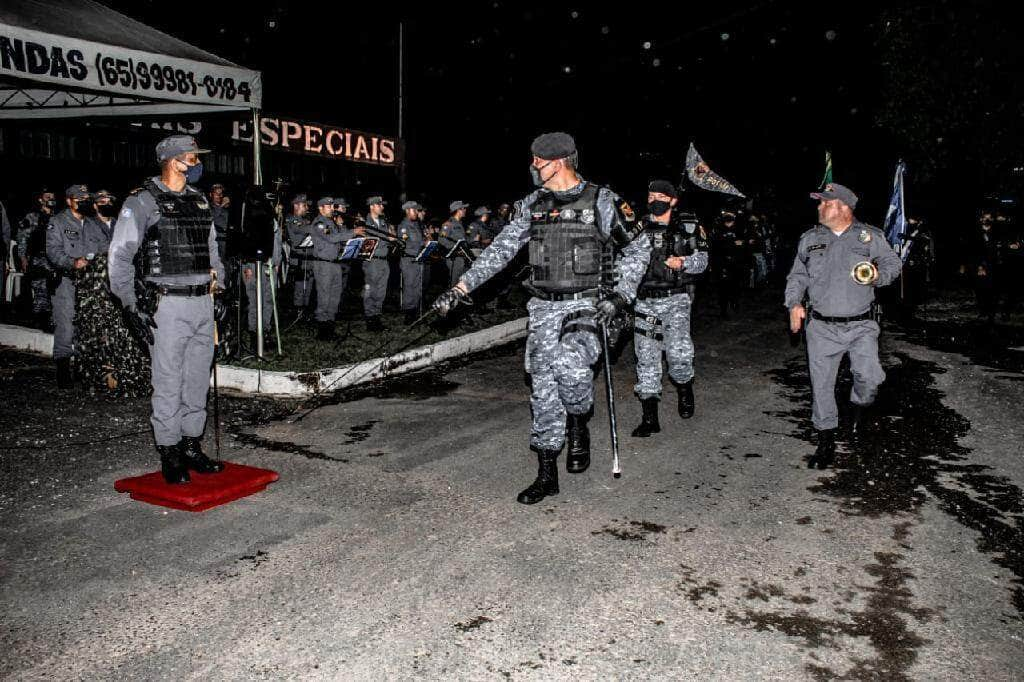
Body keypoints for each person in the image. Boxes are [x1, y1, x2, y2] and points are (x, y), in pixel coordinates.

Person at [432, 132, 651, 505]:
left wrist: (621, 295)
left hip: (586, 303)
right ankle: (547, 472)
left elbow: (638, 248)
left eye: (539, 161)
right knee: (543, 388)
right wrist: (462, 288)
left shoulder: (603, 201)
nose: (533, 167)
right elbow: (501, 249)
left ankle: (579, 420)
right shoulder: (533, 204)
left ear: (560, 162)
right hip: (543, 307)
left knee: (570, 365)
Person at [108, 134, 226, 484]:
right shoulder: (142, 202)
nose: (196, 163)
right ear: (174, 161)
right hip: (167, 304)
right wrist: (129, 304)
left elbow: (212, 251)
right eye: (192, 157)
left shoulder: (199, 201)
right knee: (169, 380)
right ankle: (170, 451)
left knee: (196, 379)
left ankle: (191, 445)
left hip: (202, 302)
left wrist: (219, 293)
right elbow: (120, 257)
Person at [784, 183, 902, 469]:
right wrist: (794, 304)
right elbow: (797, 275)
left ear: (843, 207)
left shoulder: (869, 237)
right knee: (821, 387)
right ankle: (825, 442)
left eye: (824, 202)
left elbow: (892, 263)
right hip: (822, 327)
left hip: (861, 325)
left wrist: (878, 276)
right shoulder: (810, 239)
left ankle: (858, 406)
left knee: (870, 378)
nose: (819, 206)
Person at [630, 180, 709, 437]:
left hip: (676, 299)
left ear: (673, 200)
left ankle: (685, 388)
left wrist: (683, 262)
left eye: (661, 196)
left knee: (678, 353)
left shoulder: (689, 226)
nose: (655, 200)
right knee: (647, 356)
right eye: (651, 195)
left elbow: (703, 260)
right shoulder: (637, 227)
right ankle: (649, 416)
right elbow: (623, 258)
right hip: (645, 301)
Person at [46, 185, 112, 388]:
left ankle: (85, 370)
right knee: (65, 324)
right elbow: (53, 250)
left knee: (88, 325)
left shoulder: (93, 224)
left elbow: (105, 246)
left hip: (91, 283)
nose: (83, 202)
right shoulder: (57, 222)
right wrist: (72, 262)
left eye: (86, 199)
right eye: (79, 199)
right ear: (68, 201)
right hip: (66, 280)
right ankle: (64, 371)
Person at [310, 197, 353, 340]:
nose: (332, 209)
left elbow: (339, 238)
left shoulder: (331, 223)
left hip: (334, 263)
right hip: (323, 264)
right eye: (329, 206)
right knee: (324, 296)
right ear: (321, 208)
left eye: (332, 206)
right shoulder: (319, 223)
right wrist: (353, 232)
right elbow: (332, 238)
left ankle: (330, 326)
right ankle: (322, 330)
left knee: (335, 296)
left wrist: (342, 228)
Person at [16, 189, 57, 330]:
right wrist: (23, 258)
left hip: (56, 260)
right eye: (47, 197)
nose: (51, 199)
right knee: (41, 290)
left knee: (55, 290)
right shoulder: (32, 217)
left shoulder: (59, 218)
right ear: (41, 200)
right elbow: (22, 238)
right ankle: (41, 319)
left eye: (52, 196)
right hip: (38, 259)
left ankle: (52, 319)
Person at [362, 196, 395, 331]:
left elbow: (389, 239)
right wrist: (387, 238)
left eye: (382, 205)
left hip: (383, 261)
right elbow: (368, 243)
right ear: (371, 206)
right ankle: (370, 318)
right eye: (379, 205)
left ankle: (377, 316)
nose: (382, 207)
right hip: (372, 262)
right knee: (371, 291)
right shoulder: (364, 222)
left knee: (381, 291)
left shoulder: (383, 223)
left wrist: (392, 236)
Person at [711, 209, 749, 318]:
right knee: (723, 288)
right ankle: (724, 310)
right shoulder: (718, 230)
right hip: (722, 263)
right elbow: (715, 246)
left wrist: (742, 244)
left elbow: (745, 243)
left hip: (736, 263)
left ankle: (734, 304)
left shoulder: (739, 229)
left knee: (736, 286)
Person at [286, 194, 315, 319]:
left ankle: (306, 309)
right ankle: (298, 310)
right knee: (300, 285)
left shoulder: (305, 220)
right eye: (304, 205)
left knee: (308, 284)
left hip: (308, 257)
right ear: (296, 205)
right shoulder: (293, 220)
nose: (307, 207)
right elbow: (302, 229)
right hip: (298, 258)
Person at [398, 200, 428, 324]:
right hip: (409, 260)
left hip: (418, 259)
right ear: (407, 211)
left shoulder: (417, 225)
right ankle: (409, 315)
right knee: (409, 287)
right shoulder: (404, 226)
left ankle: (416, 312)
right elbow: (405, 244)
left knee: (417, 287)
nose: (417, 212)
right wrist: (422, 243)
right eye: (414, 210)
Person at [439, 201, 471, 287]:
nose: (465, 210)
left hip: (462, 257)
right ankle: (451, 300)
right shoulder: (448, 224)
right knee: (454, 283)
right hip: (454, 258)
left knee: (461, 283)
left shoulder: (461, 224)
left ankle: (458, 299)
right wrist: (455, 248)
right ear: (458, 210)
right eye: (463, 208)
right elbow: (441, 239)